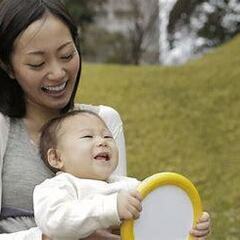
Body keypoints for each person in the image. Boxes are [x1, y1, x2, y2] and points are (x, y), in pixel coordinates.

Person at [0, 0, 210, 239]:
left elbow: (133, 216)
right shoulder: (4, 127)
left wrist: (185, 222)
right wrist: (55, 236)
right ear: (8, 67)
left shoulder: (104, 121)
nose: (58, 73)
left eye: (67, 55)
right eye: (37, 63)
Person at [34, 110, 142, 240]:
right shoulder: (56, 187)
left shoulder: (129, 185)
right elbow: (54, 222)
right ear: (56, 158)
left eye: (107, 136)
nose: (102, 142)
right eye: (88, 137)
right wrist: (110, 207)